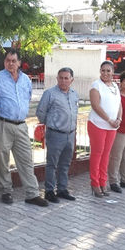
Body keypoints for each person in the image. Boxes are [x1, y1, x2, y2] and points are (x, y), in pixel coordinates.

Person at [0, 50, 47, 206]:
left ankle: (32, 193)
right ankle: (6, 191)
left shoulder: (26, 80)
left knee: (26, 160)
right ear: (4, 62)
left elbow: (27, 98)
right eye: (8, 60)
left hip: (21, 125)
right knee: (2, 160)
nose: (10, 63)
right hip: (2, 124)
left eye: (14, 61)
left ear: (19, 63)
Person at [36, 67, 78, 203]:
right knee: (52, 164)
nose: (63, 81)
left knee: (65, 164)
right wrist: (50, 123)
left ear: (72, 80)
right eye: (61, 78)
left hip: (70, 134)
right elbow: (40, 112)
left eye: (66, 78)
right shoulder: (50, 93)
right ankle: (49, 191)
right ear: (57, 78)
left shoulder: (74, 94)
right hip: (55, 134)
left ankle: (62, 189)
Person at [87, 60, 122, 195]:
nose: (106, 73)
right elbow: (96, 106)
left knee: (106, 155)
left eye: (108, 70)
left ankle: (103, 182)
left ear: (113, 72)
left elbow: (119, 105)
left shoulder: (115, 86)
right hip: (98, 124)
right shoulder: (96, 85)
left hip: (112, 127)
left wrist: (119, 119)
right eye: (103, 70)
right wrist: (109, 120)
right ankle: (95, 184)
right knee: (97, 154)